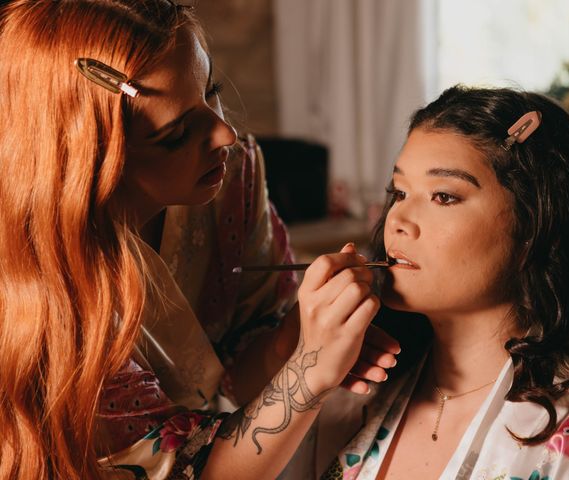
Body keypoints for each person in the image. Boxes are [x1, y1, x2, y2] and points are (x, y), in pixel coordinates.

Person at [0, 1, 400, 479]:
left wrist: (290, 341)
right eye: (176, 134)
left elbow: (230, 373)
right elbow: (192, 470)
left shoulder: (231, 184)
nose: (225, 133)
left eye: (210, 93)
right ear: (89, 160)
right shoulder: (43, 294)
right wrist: (310, 373)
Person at [318, 86, 569, 479]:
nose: (397, 220)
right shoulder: (359, 387)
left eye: (443, 197)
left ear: (532, 230)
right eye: (399, 192)